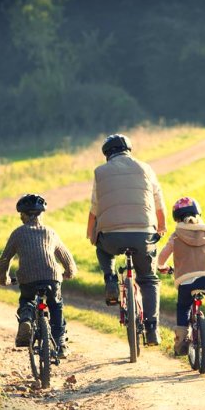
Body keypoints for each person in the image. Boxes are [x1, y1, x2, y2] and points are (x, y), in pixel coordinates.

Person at [86, 134, 167, 346]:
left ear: (107, 154)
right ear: (128, 149)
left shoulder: (100, 172)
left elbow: (95, 207)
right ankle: (152, 330)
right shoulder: (146, 168)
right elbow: (158, 201)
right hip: (143, 235)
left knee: (102, 248)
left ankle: (110, 279)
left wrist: (91, 234)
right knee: (148, 280)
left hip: (111, 236)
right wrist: (162, 226)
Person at [0, 194, 77, 358]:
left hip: (27, 278)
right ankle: (60, 343)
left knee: (27, 299)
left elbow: (5, 258)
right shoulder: (50, 232)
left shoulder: (18, 233)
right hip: (52, 276)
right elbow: (67, 259)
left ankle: (26, 318)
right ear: (42, 215)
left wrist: (3, 278)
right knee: (56, 306)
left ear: (23, 216)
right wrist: (69, 273)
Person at [157, 197, 205, 356]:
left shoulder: (176, 236)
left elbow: (163, 256)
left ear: (176, 218)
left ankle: (181, 342)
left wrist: (161, 266)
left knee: (183, 307)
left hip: (185, 281)